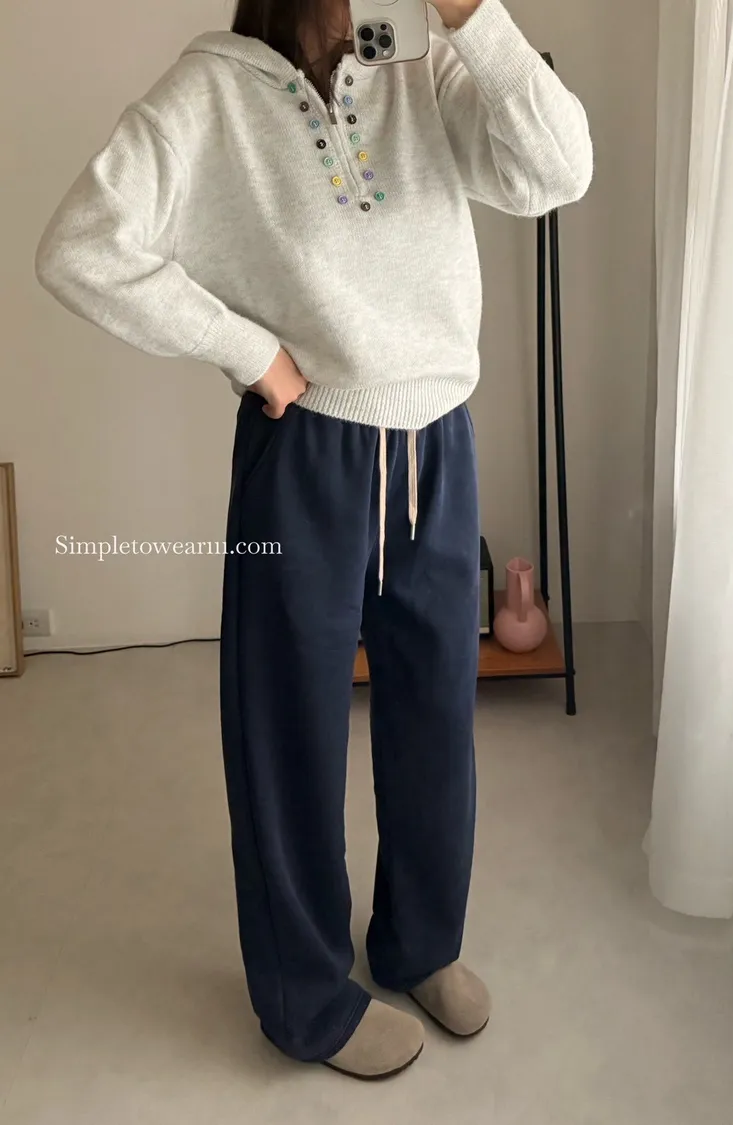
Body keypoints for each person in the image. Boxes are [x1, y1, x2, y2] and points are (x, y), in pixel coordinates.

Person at [36, 0, 592, 1081]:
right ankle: (304, 998)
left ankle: (420, 942)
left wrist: (475, 20)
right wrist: (246, 349)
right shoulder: (210, 92)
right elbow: (81, 247)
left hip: (438, 444)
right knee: (287, 729)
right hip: (309, 452)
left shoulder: (425, 69)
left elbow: (559, 169)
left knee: (435, 718)